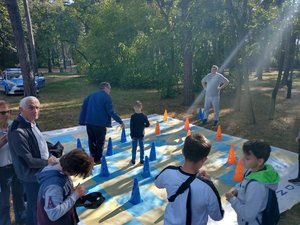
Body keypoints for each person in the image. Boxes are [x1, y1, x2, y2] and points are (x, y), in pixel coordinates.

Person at [8, 96, 57, 225]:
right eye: (31, 108)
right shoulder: (18, 131)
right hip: (31, 176)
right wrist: (48, 162)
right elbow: (28, 161)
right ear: (21, 109)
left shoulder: (31, 122)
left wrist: (51, 150)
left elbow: (37, 142)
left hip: (39, 170)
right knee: (37, 207)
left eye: (37, 108)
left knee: (33, 205)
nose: (35, 111)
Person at [155, 133, 224, 225]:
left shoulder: (168, 172)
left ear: (183, 152)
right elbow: (217, 216)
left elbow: (158, 183)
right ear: (204, 159)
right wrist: (209, 182)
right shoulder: (207, 187)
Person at [225, 139, 280, 225]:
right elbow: (249, 189)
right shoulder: (252, 170)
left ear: (260, 161)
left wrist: (232, 199)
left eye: (247, 158)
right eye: (244, 156)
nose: (242, 159)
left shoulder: (256, 185)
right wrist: (239, 192)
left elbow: (248, 215)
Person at [37, 148, 94, 225]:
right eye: (76, 174)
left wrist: (71, 192)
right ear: (72, 171)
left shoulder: (57, 167)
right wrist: (75, 195)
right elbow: (53, 214)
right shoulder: (54, 186)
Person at [79, 82, 124, 164]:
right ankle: (97, 159)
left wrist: (83, 120)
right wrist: (120, 121)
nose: (110, 91)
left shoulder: (91, 95)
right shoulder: (106, 97)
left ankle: (92, 156)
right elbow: (110, 111)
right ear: (106, 88)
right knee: (100, 141)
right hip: (100, 124)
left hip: (89, 122)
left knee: (91, 140)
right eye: (110, 89)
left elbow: (84, 107)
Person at [0, 100, 25, 225]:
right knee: (4, 202)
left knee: (19, 197)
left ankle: (21, 221)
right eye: (2, 113)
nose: (6, 115)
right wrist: (5, 139)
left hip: (16, 167)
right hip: (2, 170)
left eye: (8, 112)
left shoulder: (12, 125)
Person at [129, 100, 150, 165]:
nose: (136, 109)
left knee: (138, 148)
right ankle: (138, 160)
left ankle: (137, 160)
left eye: (137, 108)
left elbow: (147, 124)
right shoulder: (143, 116)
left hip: (138, 135)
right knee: (139, 148)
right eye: (136, 108)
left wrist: (132, 135)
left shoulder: (135, 116)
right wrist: (143, 125)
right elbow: (147, 124)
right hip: (138, 135)